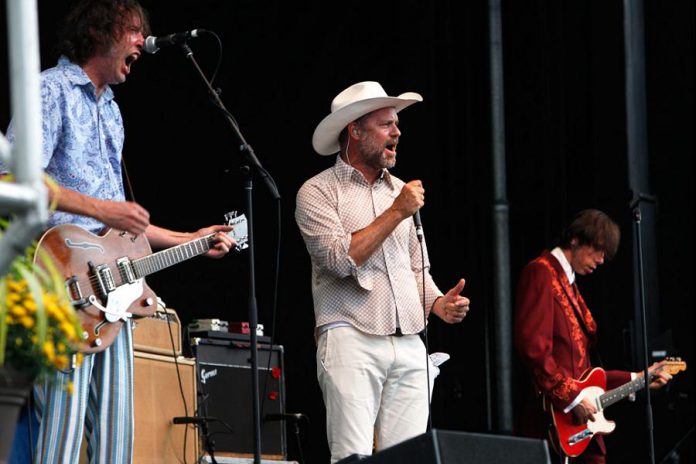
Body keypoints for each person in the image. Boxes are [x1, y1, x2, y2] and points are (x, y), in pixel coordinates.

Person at [1, 1, 235, 463]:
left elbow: (121, 233)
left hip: (114, 296)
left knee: (115, 444)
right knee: (60, 443)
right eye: (132, 31)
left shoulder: (112, 110)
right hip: (62, 287)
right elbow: (12, 182)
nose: (140, 43)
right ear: (99, 32)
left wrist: (192, 239)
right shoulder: (50, 90)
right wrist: (102, 207)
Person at [295, 81, 471, 463]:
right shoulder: (318, 192)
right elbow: (338, 259)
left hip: (409, 343)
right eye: (386, 124)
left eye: (396, 123)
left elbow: (414, 268)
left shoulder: (401, 193)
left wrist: (439, 302)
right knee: (352, 457)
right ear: (354, 131)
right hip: (350, 335)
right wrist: (396, 212)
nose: (397, 132)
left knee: (410, 459)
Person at [513, 209, 672, 463]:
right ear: (575, 239)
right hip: (551, 424)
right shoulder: (541, 272)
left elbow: (587, 375)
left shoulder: (570, 284)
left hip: (580, 426)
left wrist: (639, 378)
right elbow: (533, 347)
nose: (600, 260)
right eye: (597, 250)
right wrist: (572, 398)